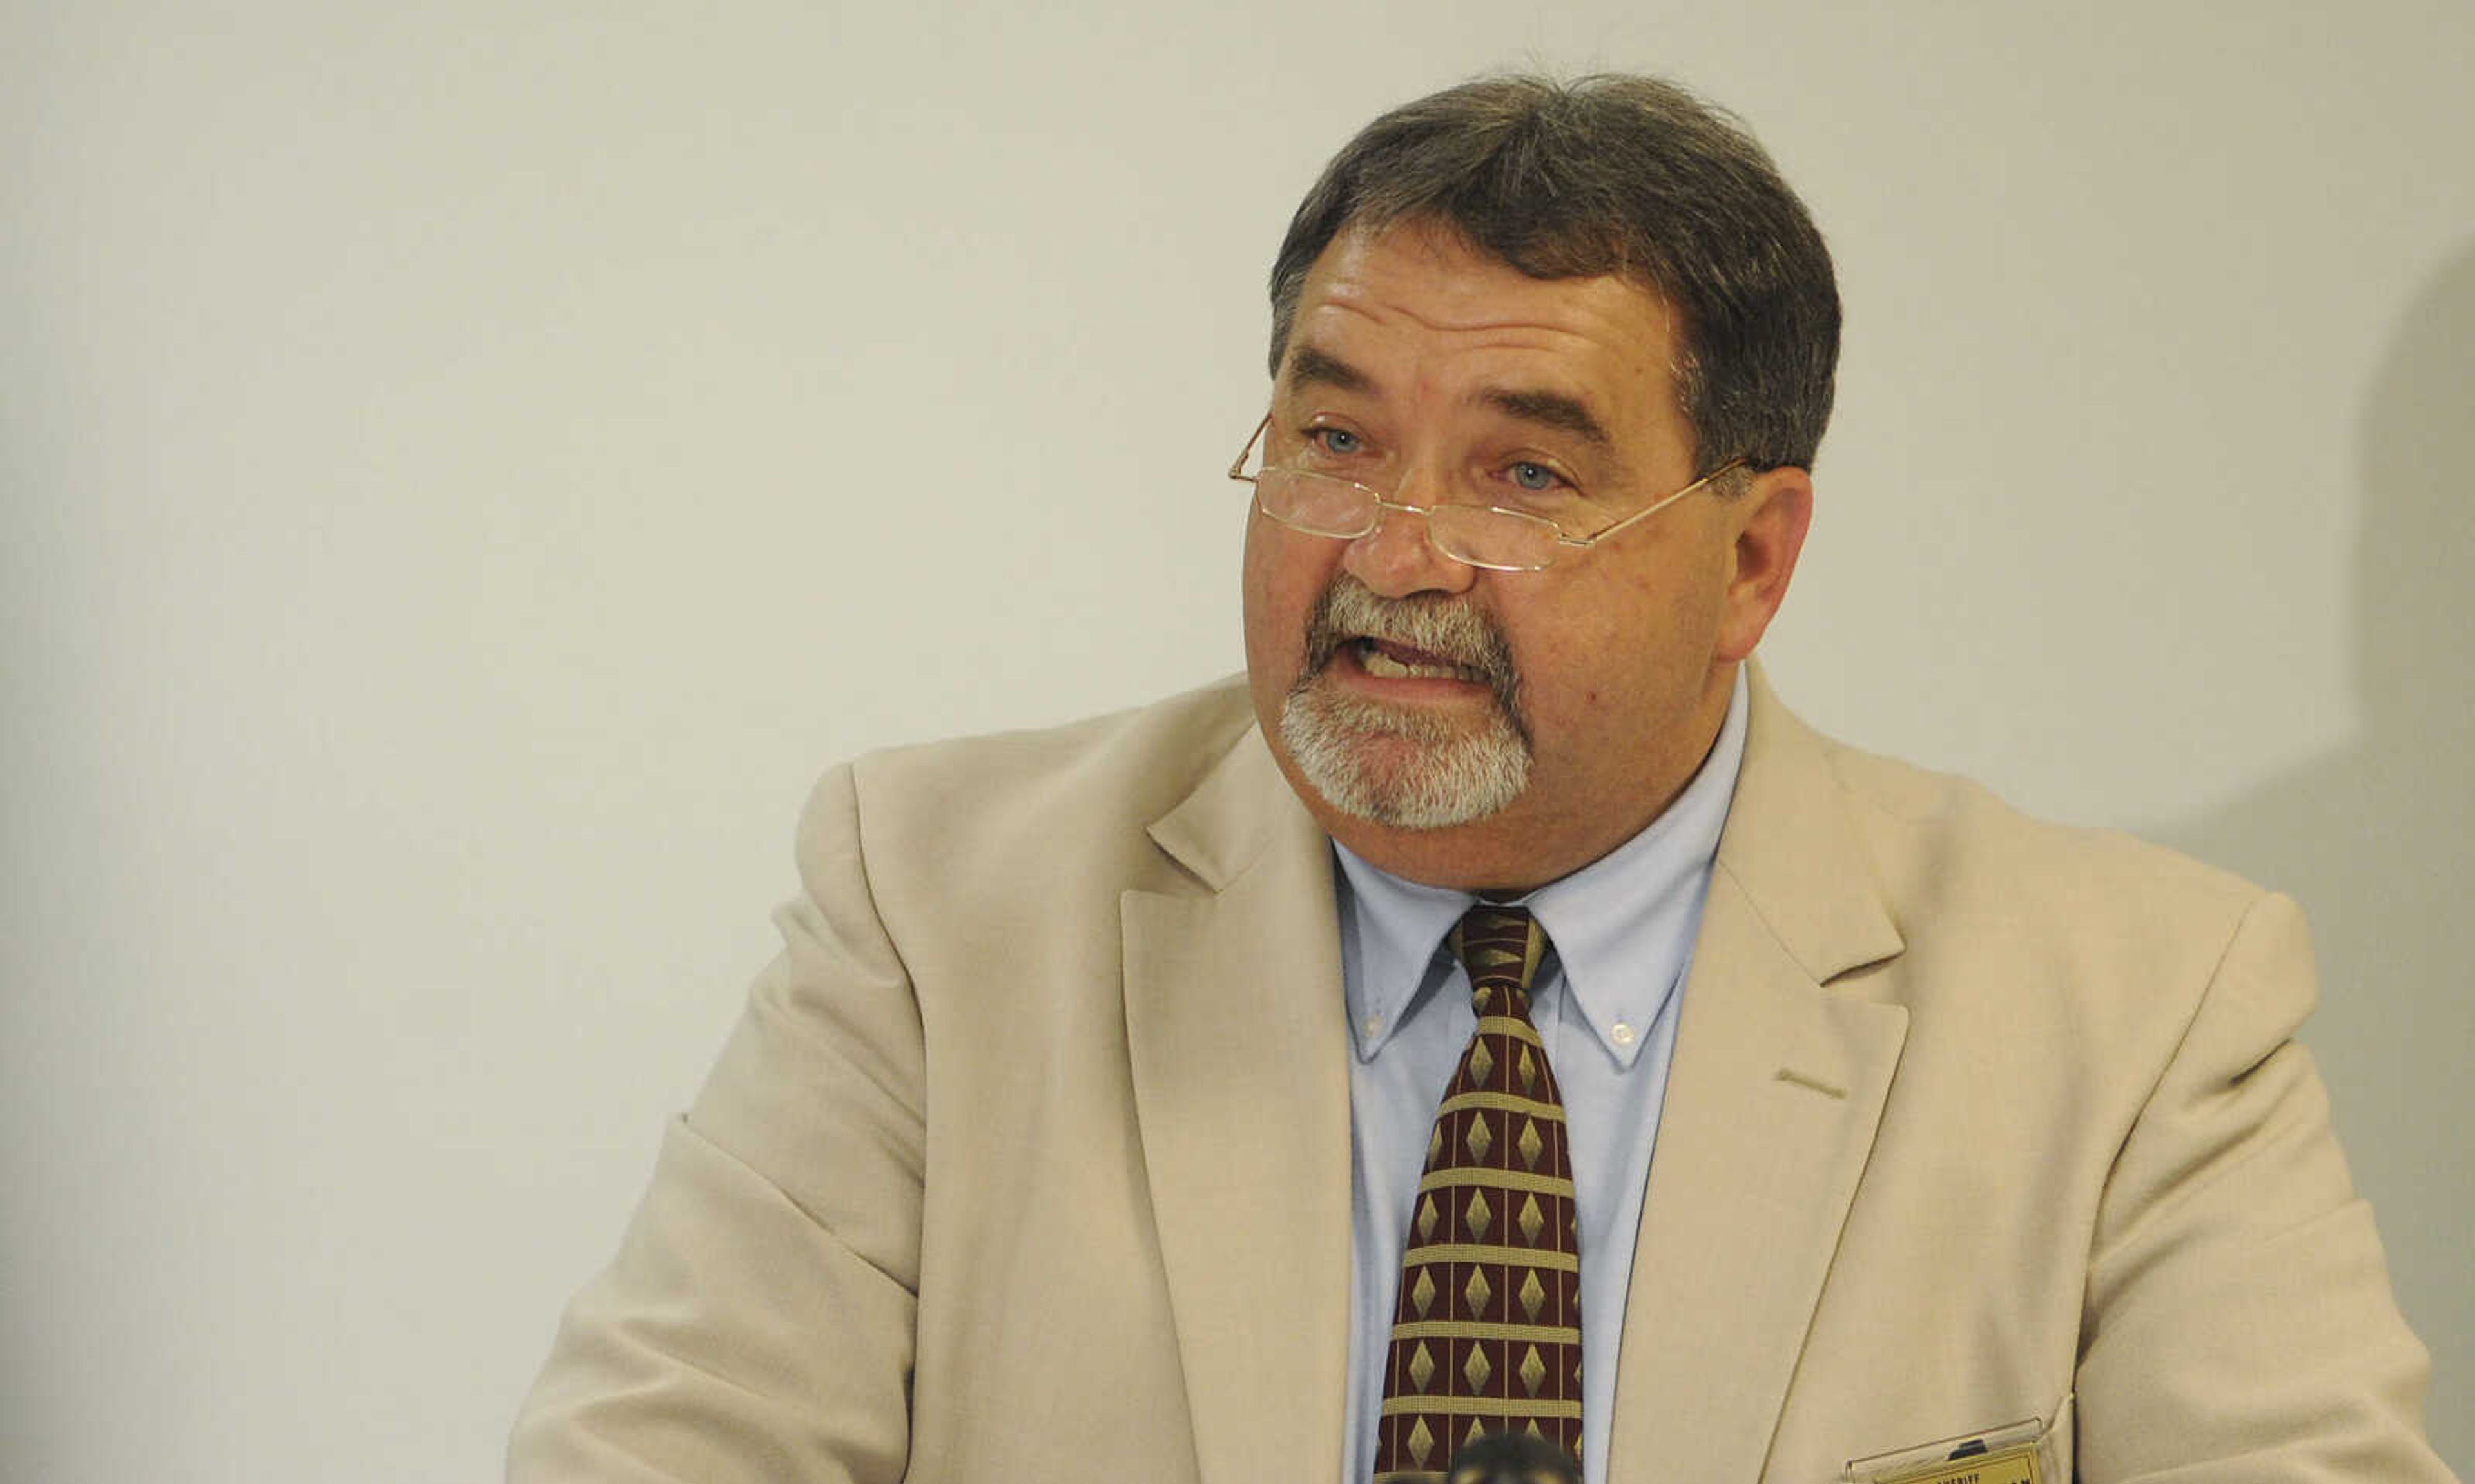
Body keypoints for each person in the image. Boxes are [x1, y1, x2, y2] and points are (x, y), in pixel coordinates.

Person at [507, 73, 2454, 1483]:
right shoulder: (936, 911)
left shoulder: (2132, 1010)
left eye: (1525, 471)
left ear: (1752, 561)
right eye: (1333, 437)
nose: (1391, 552)